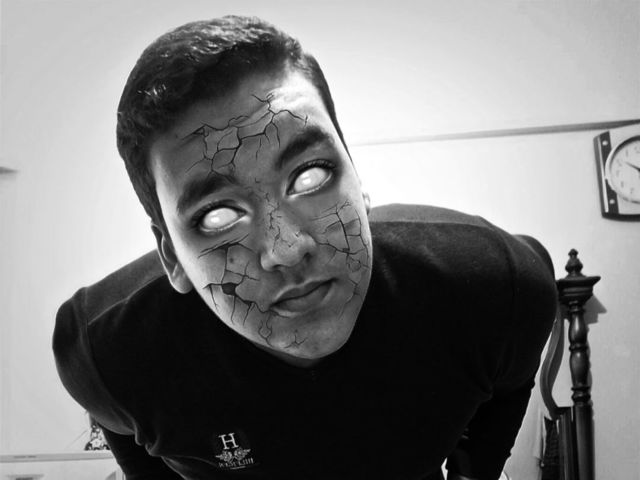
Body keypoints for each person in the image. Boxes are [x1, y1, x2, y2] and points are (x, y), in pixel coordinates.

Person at [53, 15, 557, 480]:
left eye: (310, 175)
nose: (287, 249)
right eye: (217, 215)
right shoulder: (109, 351)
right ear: (171, 257)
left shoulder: (488, 287)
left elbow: (512, 378)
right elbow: (118, 422)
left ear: (358, 179)